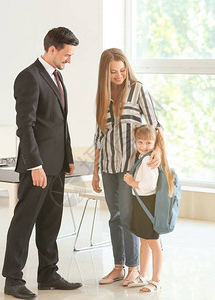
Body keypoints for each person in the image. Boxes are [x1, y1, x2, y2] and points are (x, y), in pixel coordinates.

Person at [2, 27, 81, 299]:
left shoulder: (57, 77)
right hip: (37, 167)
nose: (69, 60)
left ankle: (48, 274)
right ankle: (13, 280)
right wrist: (34, 165)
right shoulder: (29, 77)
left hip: (57, 166)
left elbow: (60, 123)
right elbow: (25, 126)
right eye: (67, 55)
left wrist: (68, 159)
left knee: (50, 222)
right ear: (52, 49)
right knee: (24, 222)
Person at [92, 48, 162, 286]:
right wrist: (95, 173)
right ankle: (118, 267)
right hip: (108, 165)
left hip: (130, 167)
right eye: (113, 72)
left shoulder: (137, 89)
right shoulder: (102, 95)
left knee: (126, 216)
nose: (119, 75)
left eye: (122, 70)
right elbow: (99, 136)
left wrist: (159, 152)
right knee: (114, 217)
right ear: (105, 72)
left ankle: (134, 268)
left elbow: (155, 124)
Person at [123, 125, 175, 292]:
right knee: (144, 239)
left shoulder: (148, 160)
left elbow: (149, 186)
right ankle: (143, 276)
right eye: (140, 142)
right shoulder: (143, 156)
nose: (144, 146)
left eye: (148, 143)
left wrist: (132, 183)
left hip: (148, 203)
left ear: (155, 143)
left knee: (153, 242)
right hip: (142, 203)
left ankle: (156, 280)